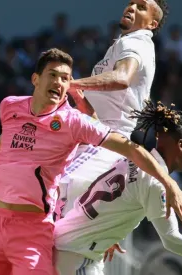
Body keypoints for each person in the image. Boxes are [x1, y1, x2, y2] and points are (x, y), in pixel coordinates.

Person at [0, 48, 182, 275]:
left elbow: (131, 150)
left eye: (65, 78)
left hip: (31, 229)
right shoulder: (10, 106)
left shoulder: (74, 122)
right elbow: (5, 143)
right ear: (35, 79)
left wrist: (168, 182)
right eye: (53, 75)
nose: (60, 83)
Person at [54, 101, 182, 275]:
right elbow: (171, 240)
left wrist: (106, 231)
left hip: (75, 248)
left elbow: (110, 198)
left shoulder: (133, 159)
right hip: (77, 253)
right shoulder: (157, 182)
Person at [58, 0, 171, 222]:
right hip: (97, 135)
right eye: (131, 3)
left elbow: (121, 79)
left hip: (105, 141)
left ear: (152, 24)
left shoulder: (135, 43)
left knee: (56, 198)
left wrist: (72, 84)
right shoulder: (126, 43)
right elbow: (106, 101)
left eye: (141, 7)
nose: (131, 7)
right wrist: (78, 98)